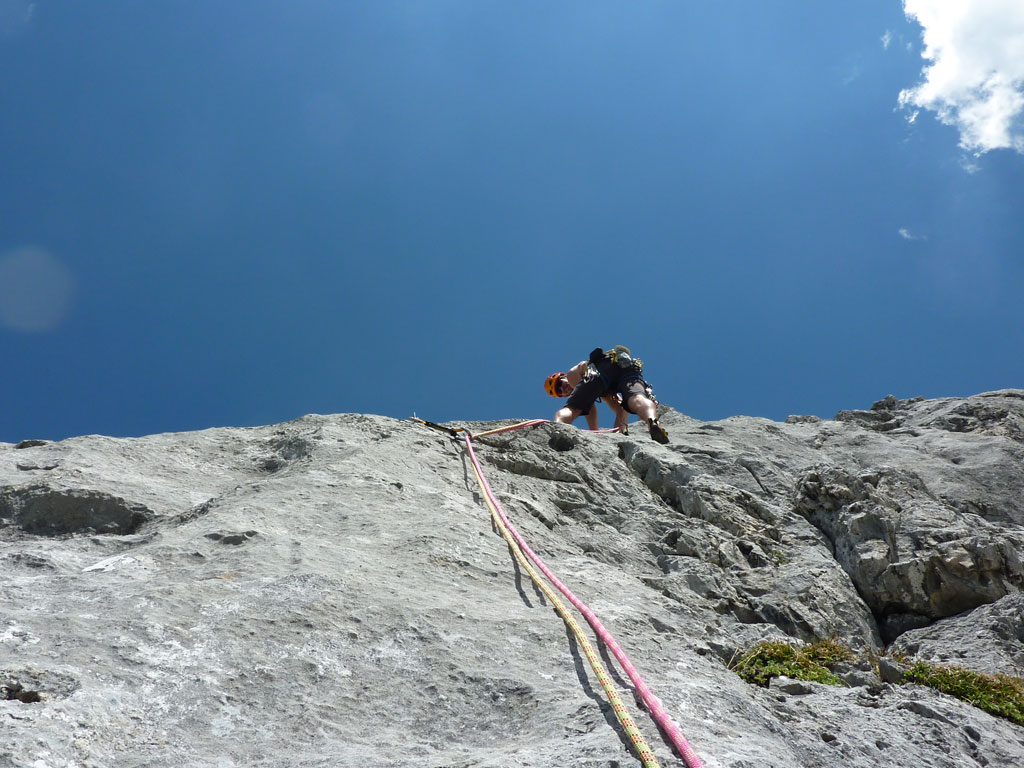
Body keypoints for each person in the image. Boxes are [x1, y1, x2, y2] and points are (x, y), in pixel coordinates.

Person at [544, 346, 669, 443]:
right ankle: (652, 422)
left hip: (599, 371)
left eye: (559, 383)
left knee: (573, 408)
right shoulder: (603, 393)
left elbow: (588, 407)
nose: (563, 388)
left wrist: (595, 433)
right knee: (637, 398)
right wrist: (619, 430)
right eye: (559, 392)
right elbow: (620, 407)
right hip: (626, 366)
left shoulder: (572, 374)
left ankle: (558, 427)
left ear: (563, 376)